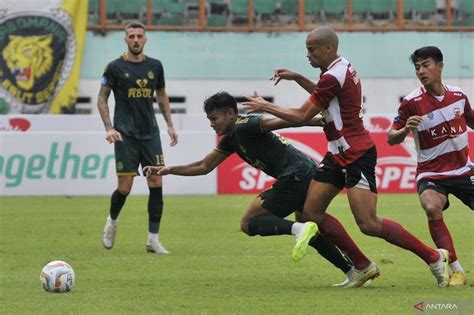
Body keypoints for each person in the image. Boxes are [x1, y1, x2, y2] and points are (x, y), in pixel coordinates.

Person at [243, 26, 451, 287]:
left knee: (368, 223)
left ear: (328, 48)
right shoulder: (339, 69)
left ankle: (433, 257)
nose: (308, 55)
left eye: (311, 49)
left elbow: (301, 116)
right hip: (336, 155)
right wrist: (297, 77)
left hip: (357, 155)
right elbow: (325, 94)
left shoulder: (333, 75)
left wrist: (264, 106)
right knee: (310, 212)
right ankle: (362, 266)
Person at [144, 91, 357, 286]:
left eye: (214, 118)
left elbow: (282, 122)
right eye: (209, 119)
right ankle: (352, 272)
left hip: (297, 174)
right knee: (308, 226)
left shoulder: (246, 124)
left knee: (248, 222)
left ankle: (298, 230)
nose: (212, 124)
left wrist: (319, 121)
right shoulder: (230, 140)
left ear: (230, 113)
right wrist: (169, 169)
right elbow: (203, 166)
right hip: (303, 172)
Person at [387, 46, 473, 286]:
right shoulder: (411, 103)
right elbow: (390, 138)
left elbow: (472, 120)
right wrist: (405, 130)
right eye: (417, 67)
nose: (421, 71)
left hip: (465, 170)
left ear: (440, 66)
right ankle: (456, 270)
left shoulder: (458, 95)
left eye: (426, 65)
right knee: (431, 207)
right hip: (432, 173)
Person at [97, 21, 178, 254]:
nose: (135, 40)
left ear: (145, 39)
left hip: (150, 134)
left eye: (139, 36)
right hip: (125, 135)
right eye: (131, 36)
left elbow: (161, 94)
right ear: (125, 39)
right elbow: (102, 98)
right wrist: (109, 128)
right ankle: (112, 222)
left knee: (156, 181)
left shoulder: (155, 66)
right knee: (125, 188)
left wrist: (170, 125)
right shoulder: (114, 67)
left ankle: (153, 239)